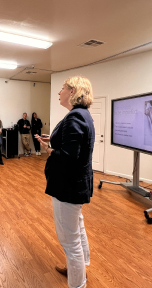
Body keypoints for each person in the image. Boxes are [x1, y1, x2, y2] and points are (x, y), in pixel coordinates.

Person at [36, 76, 94, 288]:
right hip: (75, 185)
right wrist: (51, 139)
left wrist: (48, 150)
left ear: (72, 91)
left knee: (70, 241)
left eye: (62, 88)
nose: (58, 92)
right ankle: (79, 266)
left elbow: (69, 157)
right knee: (77, 226)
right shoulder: (81, 115)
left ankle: (78, 283)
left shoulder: (74, 117)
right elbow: (73, 144)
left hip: (68, 186)